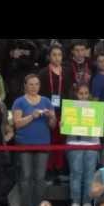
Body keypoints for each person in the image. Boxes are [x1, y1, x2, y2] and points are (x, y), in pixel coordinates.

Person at [12, 74, 57, 206]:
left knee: (40, 177)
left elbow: (53, 126)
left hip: (43, 143)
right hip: (24, 143)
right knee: (26, 176)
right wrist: (32, 116)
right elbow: (17, 124)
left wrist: (51, 117)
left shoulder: (46, 101)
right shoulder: (19, 102)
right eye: (31, 84)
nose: (34, 87)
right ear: (25, 85)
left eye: (36, 84)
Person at [37, 44, 73, 177]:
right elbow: (39, 94)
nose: (57, 58)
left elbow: (70, 92)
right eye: (54, 55)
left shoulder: (68, 71)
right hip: (48, 110)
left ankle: (59, 167)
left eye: (59, 55)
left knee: (61, 139)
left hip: (65, 110)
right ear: (49, 57)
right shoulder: (43, 73)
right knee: (49, 139)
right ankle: (49, 168)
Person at [64, 84, 100, 206]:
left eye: (86, 93)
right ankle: (75, 202)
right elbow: (65, 127)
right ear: (76, 95)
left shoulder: (95, 108)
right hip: (74, 142)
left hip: (92, 144)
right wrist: (64, 123)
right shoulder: (70, 108)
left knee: (90, 174)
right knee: (76, 173)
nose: (83, 96)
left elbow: (99, 126)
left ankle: (86, 202)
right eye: (81, 93)